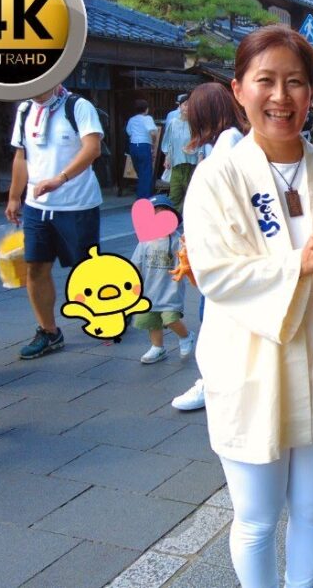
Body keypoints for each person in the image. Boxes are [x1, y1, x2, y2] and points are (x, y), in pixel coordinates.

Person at [183, 24, 313, 587]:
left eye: (295, 82)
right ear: (238, 89)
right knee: (256, 518)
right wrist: (297, 263)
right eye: (266, 81)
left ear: (312, 92)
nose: (281, 96)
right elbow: (215, 271)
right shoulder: (217, 177)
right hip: (252, 367)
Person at [7, 85, 103, 360]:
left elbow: (93, 148)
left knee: (85, 268)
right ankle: (49, 332)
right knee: (35, 267)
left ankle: (110, 308)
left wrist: (60, 179)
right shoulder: (25, 109)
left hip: (77, 203)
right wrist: (14, 197)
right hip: (36, 205)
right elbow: (21, 156)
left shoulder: (78, 106)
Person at [168, 81, 248, 412]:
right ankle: (219, 382)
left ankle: (213, 384)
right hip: (225, 248)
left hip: (223, 251)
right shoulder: (230, 140)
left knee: (214, 317)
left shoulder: (228, 142)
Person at [132, 195, 196, 364]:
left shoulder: (177, 240)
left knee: (171, 318)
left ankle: (186, 336)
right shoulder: (145, 241)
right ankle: (157, 347)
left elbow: (187, 260)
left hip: (170, 290)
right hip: (149, 291)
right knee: (151, 322)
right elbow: (136, 263)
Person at [160, 96, 199, 212]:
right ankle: (173, 219)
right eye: (185, 104)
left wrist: (193, 150)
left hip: (191, 164)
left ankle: (189, 219)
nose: (188, 107)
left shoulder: (195, 124)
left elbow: (200, 143)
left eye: (191, 105)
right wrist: (167, 157)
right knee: (174, 195)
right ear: (180, 106)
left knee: (191, 196)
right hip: (176, 164)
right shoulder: (173, 123)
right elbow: (168, 142)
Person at [125, 99, 159, 199]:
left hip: (133, 146)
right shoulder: (147, 118)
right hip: (144, 146)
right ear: (146, 109)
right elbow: (153, 133)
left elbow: (129, 132)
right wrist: (153, 143)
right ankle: (144, 198)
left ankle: (141, 196)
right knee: (146, 173)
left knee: (140, 172)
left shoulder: (131, 120)